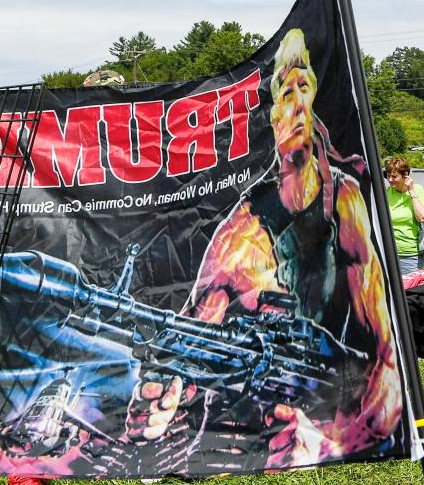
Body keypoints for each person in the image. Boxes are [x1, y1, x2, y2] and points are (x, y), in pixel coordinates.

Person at [125, 29, 400, 467]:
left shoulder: (344, 203)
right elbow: (193, 334)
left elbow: (386, 356)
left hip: (344, 405)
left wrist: (338, 440)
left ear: (313, 108)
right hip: (270, 418)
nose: (294, 104)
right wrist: (165, 390)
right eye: (284, 92)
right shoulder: (246, 229)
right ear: (273, 120)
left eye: (303, 89)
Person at [383, 157, 424, 274]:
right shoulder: (386, 193)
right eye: (388, 175)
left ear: (405, 175)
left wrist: (411, 191)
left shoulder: (417, 190)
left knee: (409, 291)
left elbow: (423, 216)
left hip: (410, 255)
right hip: (389, 253)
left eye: (394, 176)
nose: (390, 179)